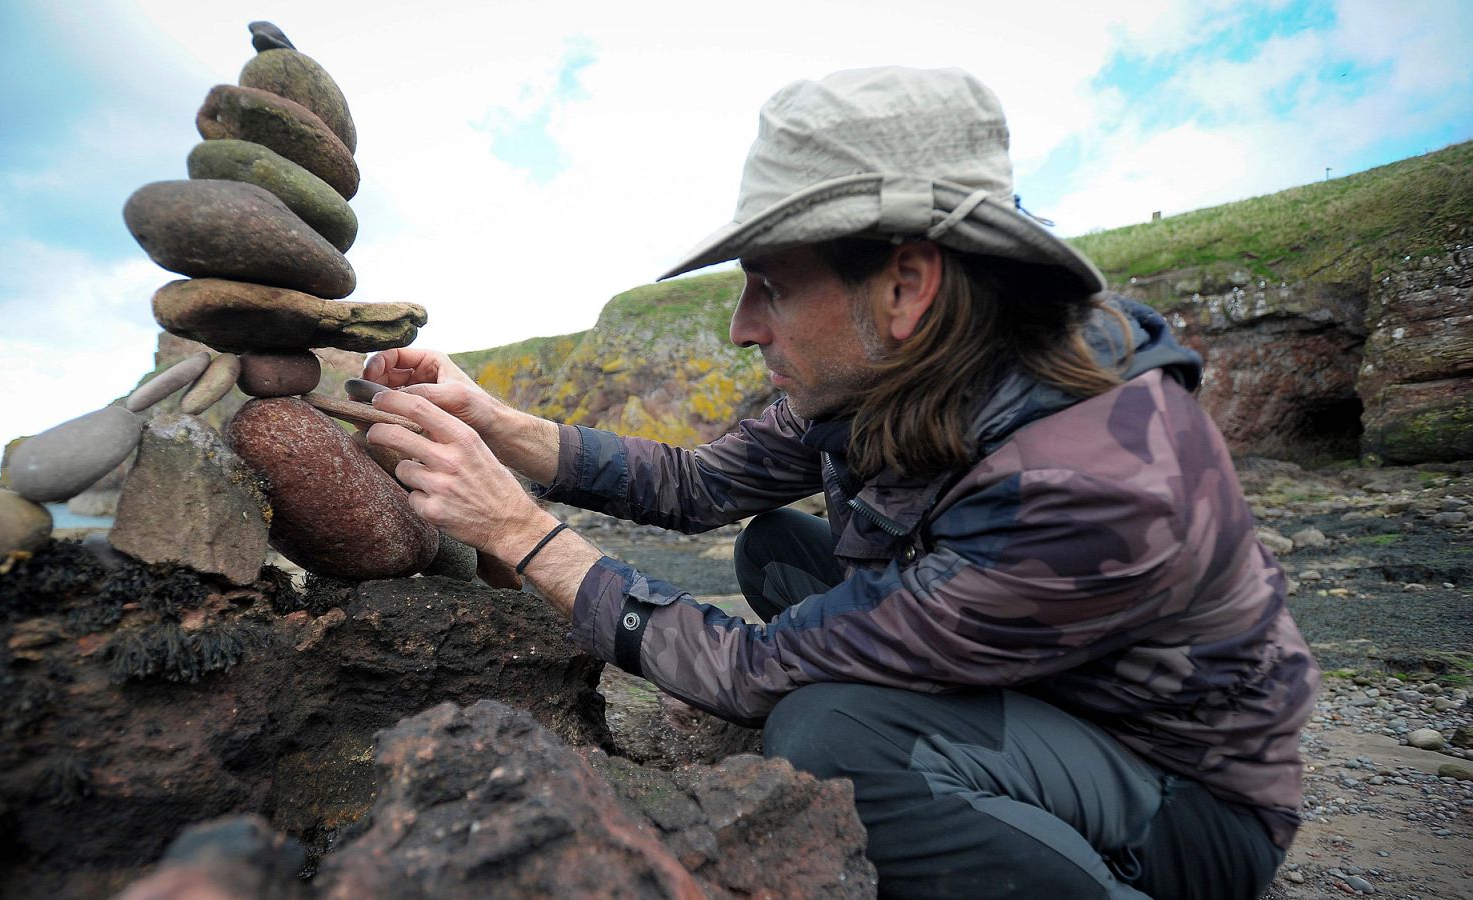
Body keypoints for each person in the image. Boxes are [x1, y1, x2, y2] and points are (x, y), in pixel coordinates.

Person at [362, 67, 1319, 899]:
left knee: (832, 736)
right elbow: (696, 484)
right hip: (1042, 680)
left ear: (906, 287)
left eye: (771, 286)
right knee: (775, 548)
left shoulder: (1089, 483)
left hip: (1187, 801)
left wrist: (520, 534)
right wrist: (496, 424)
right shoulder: (887, 379)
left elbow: (750, 672)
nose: (742, 326)